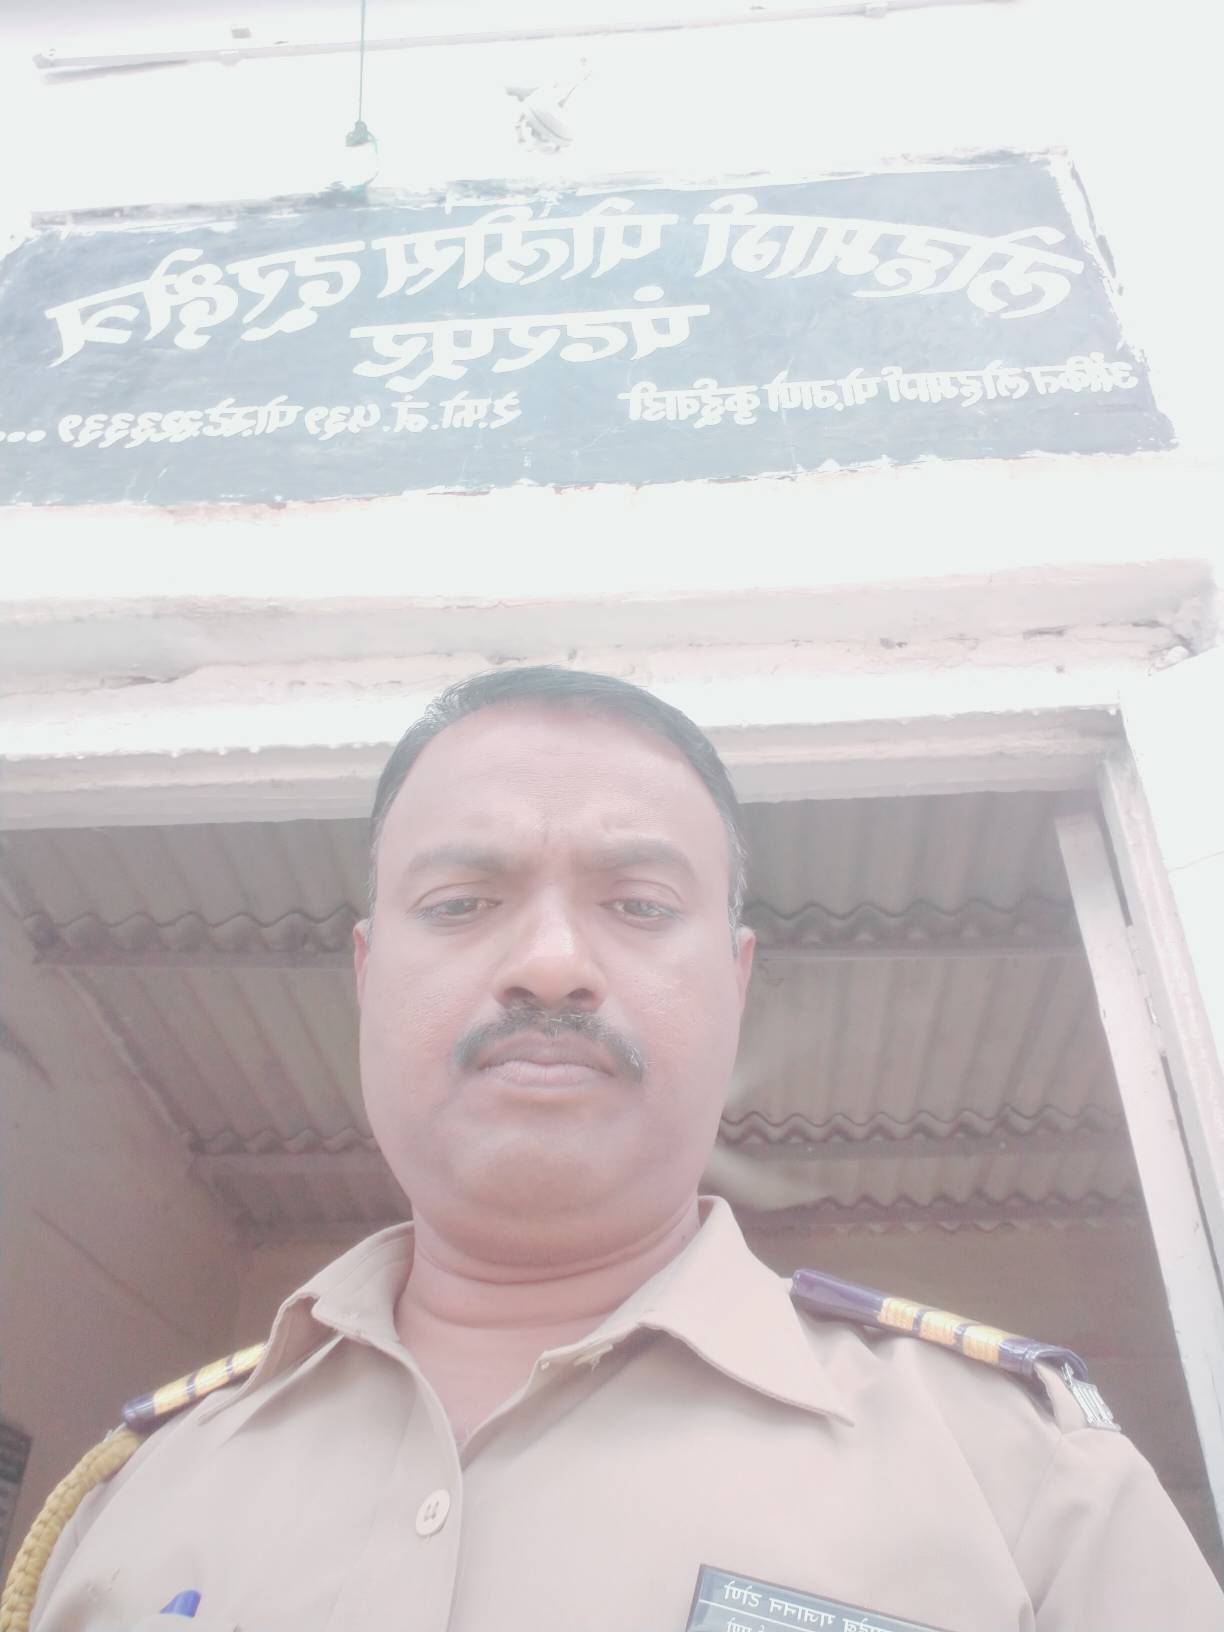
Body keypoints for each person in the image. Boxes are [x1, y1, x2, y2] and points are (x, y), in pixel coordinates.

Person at [9, 667, 1223, 1632]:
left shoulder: (1029, 1483)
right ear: (368, 976)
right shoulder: (131, 1500)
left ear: (736, 985)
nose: (550, 964)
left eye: (639, 905)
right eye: (461, 904)